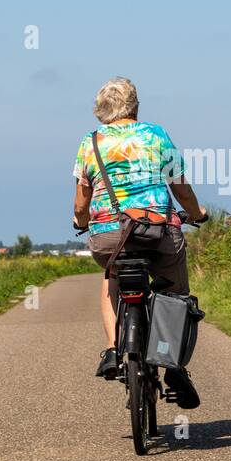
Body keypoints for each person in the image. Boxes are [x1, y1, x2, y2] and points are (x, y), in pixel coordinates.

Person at [72, 77, 206, 408]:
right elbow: (181, 188)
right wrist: (197, 212)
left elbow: (81, 203)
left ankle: (114, 350)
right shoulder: (156, 135)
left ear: (102, 110)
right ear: (135, 105)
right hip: (158, 229)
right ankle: (174, 366)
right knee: (175, 293)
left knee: (111, 282)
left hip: (109, 234)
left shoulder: (90, 143)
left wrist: (81, 221)